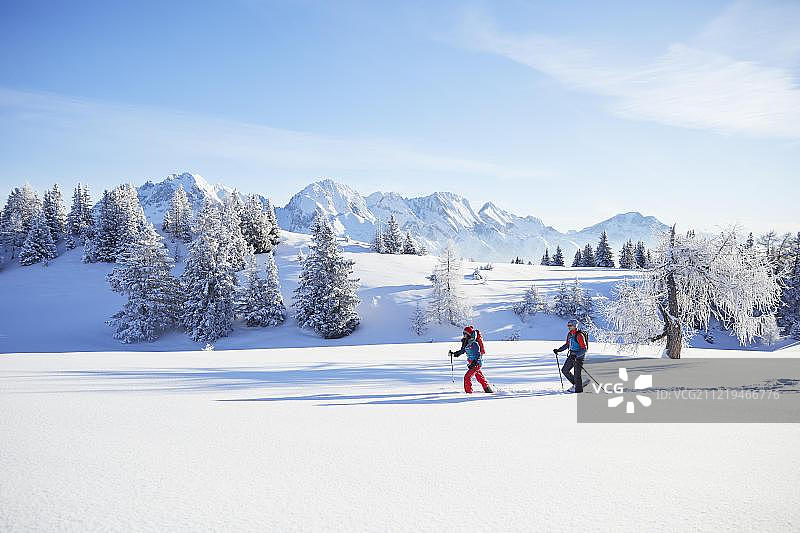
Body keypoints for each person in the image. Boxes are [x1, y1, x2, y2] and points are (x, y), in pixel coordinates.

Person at [449, 326, 493, 393]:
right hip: (472, 363)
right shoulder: (466, 343)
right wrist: (453, 354)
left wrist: (474, 363)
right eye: (463, 334)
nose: (464, 335)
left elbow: (478, 355)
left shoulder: (474, 344)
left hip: (476, 363)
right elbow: (462, 351)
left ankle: (468, 393)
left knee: (467, 377)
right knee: (479, 377)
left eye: (465, 334)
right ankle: (488, 390)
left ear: (469, 334)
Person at [553, 319, 589, 393]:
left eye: (570, 325)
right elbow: (567, 344)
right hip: (571, 355)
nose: (568, 327)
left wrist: (576, 356)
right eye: (568, 325)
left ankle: (578, 391)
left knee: (577, 374)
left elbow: (584, 349)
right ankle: (577, 385)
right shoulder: (570, 334)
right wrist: (559, 350)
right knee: (565, 370)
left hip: (579, 357)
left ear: (575, 326)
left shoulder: (579, 335)